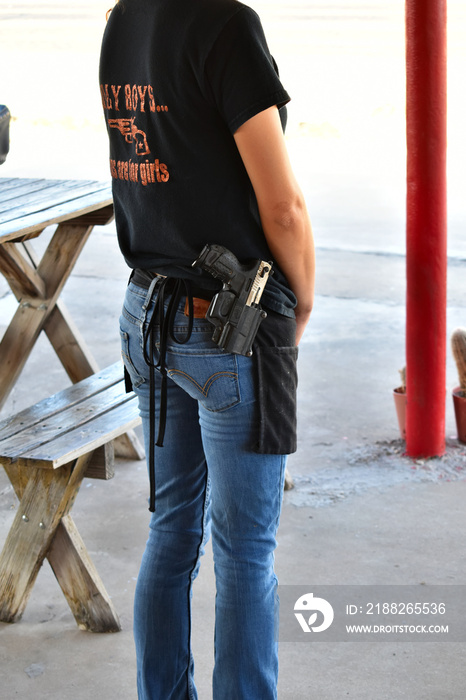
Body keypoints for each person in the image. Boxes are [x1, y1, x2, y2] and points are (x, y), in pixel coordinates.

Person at [99, 0, 315, 698]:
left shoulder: (123, 19)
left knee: (170, 534)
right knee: (247, 554)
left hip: (148, 310)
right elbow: (282, 206)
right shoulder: (228, 25)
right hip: (234, 326)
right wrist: (304, 297)